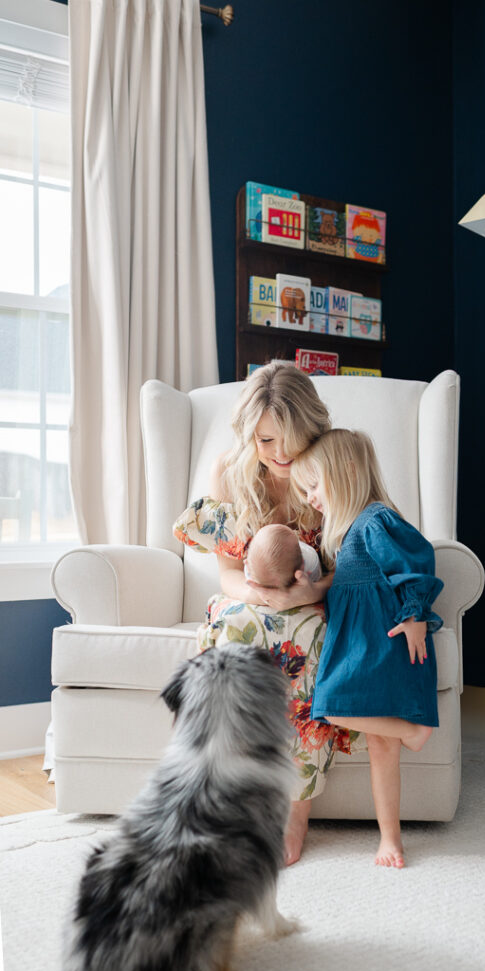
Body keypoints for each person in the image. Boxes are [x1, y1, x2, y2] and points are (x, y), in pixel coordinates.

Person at [173, 361, 356, 866]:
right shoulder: (229, 473)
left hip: (315, 598)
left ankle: (296, 812)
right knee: (231, 634)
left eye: (291, 440)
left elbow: (356, 561)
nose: (280, 454)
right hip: (251, 597)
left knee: (305, 640)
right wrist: (267, 599)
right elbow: (228, 575)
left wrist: (307, 594)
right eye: (266, 441)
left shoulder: (330, 466)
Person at [292, 428, 443, 869]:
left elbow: (415, 563)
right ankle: (389, 839)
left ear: (348, 472)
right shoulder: (345, 532)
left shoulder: (376, 520)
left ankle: (392, 832)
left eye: (314, 485)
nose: (311, 497)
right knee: (373, 738)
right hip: (358, 646)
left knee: (335, 710)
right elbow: (347, 585)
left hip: (384, 644)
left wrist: (415, 615)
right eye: (305, 489)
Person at [244, 523, 321, 590]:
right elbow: (317, 578)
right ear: (302, 566)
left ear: (246, 563)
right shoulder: (311, 561)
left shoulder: (251, 572)